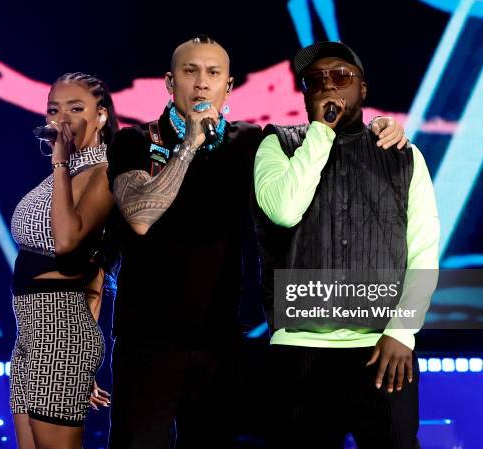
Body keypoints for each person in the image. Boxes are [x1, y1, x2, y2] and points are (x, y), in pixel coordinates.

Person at [106, 35, 406, 449]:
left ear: (228, 86)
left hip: (222, 341)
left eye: (213, 73)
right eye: (189, 71)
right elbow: (139, 217)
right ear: (169, 82)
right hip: (149, 340)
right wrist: (191, 142)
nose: (201, 83)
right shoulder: (136, 141)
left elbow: (324, 149)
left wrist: (375, 127)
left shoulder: (250, 142)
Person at [254, 41, 440, 448]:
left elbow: (423, 251)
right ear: (304, 94)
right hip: (300, 348)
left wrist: (402, 333)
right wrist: (320, 133)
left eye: (341, 76)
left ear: (363, 89)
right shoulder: (276, 145)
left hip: (381, 347)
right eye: (315, 80)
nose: (328, 85)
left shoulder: (404, 156)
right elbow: (284, 210)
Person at [9, 72, 117, 449]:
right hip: (33, 331)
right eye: (54, 109)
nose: (62, 118)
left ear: (101, 116)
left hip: (59, 333)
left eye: (75, 108)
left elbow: (67, 241)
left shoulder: (101, 172)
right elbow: (96, 280)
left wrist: (59, 163)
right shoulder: (69, 172)